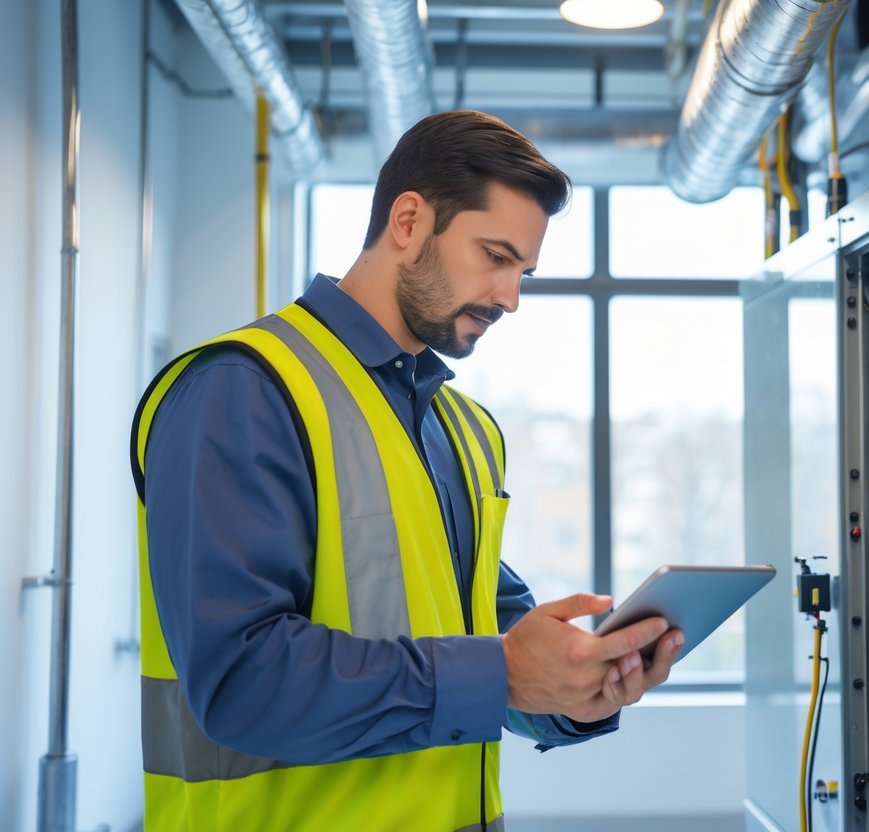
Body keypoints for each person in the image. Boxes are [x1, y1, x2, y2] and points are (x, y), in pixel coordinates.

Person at [131, 110, 684, 832]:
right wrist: (504, 673)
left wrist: (578, 687)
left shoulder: (464, 430)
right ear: (409, 220)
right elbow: (242, 682)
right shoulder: (242, 391)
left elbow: (492, 640)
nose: (511, 297)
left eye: (524, 270)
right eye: (494, 255)